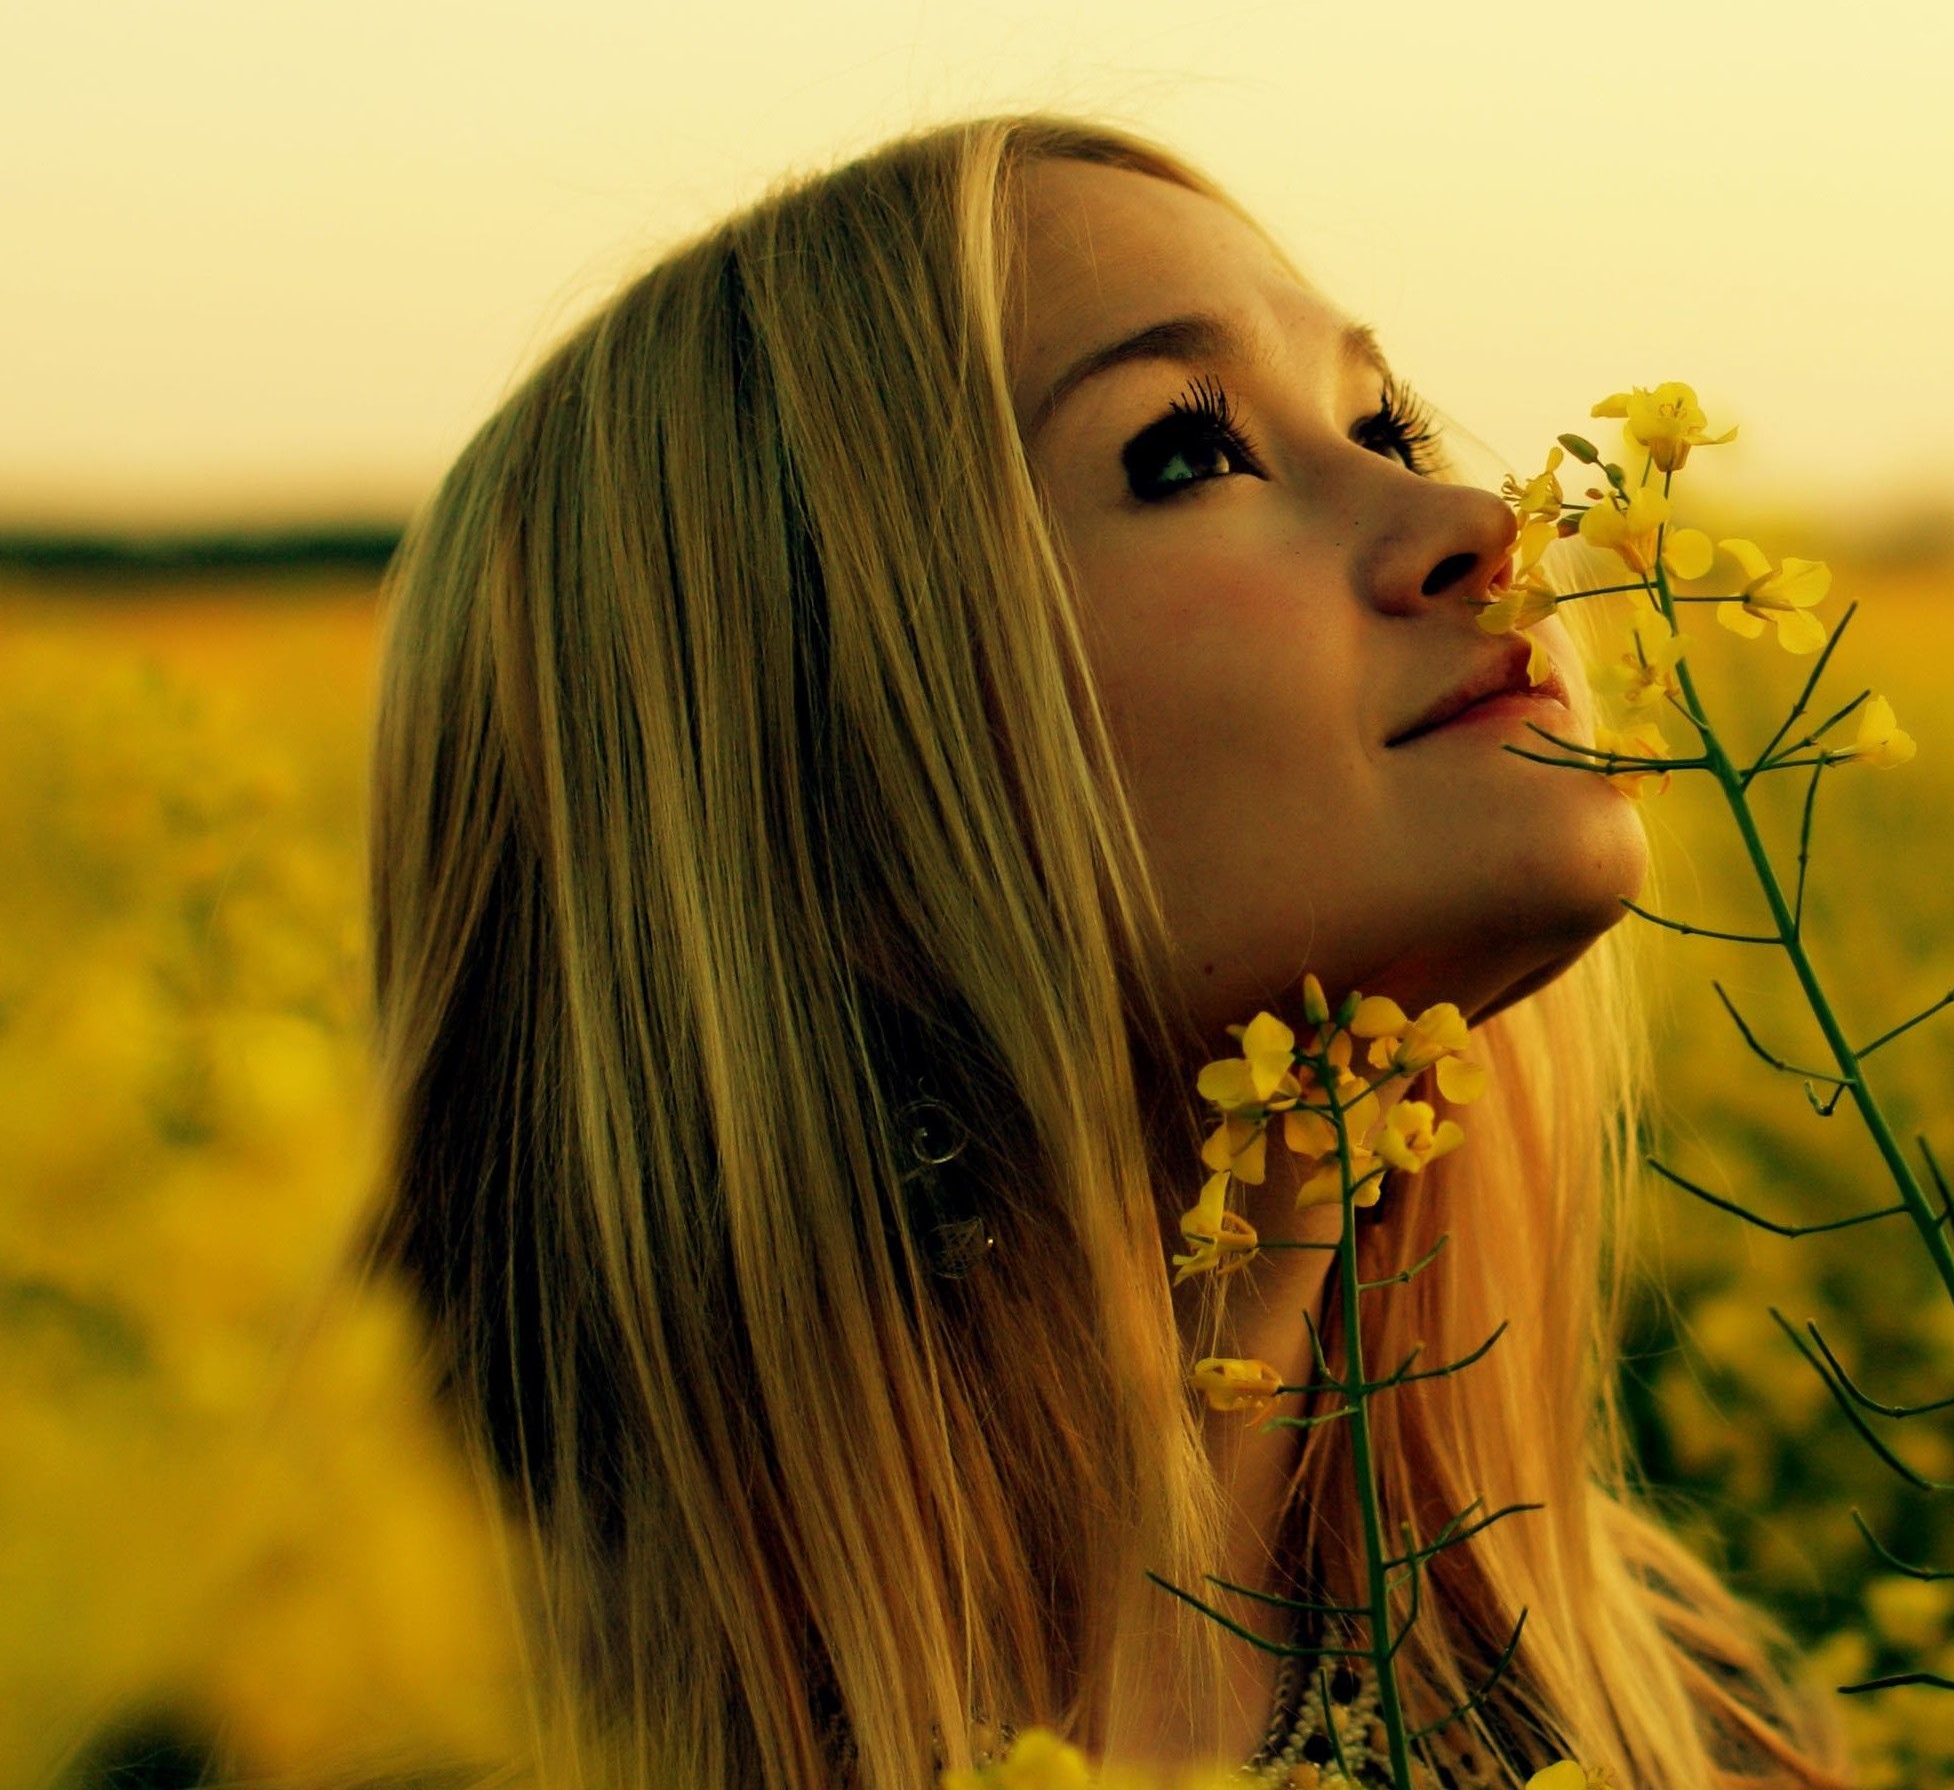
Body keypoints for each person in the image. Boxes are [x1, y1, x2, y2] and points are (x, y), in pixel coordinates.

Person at [359, 114, 1851, 1790]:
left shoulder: (1693, 1732)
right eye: (1185, 452)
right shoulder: (382, 1747)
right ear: (828, 819)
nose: (1465, 513)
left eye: (1386, 417)